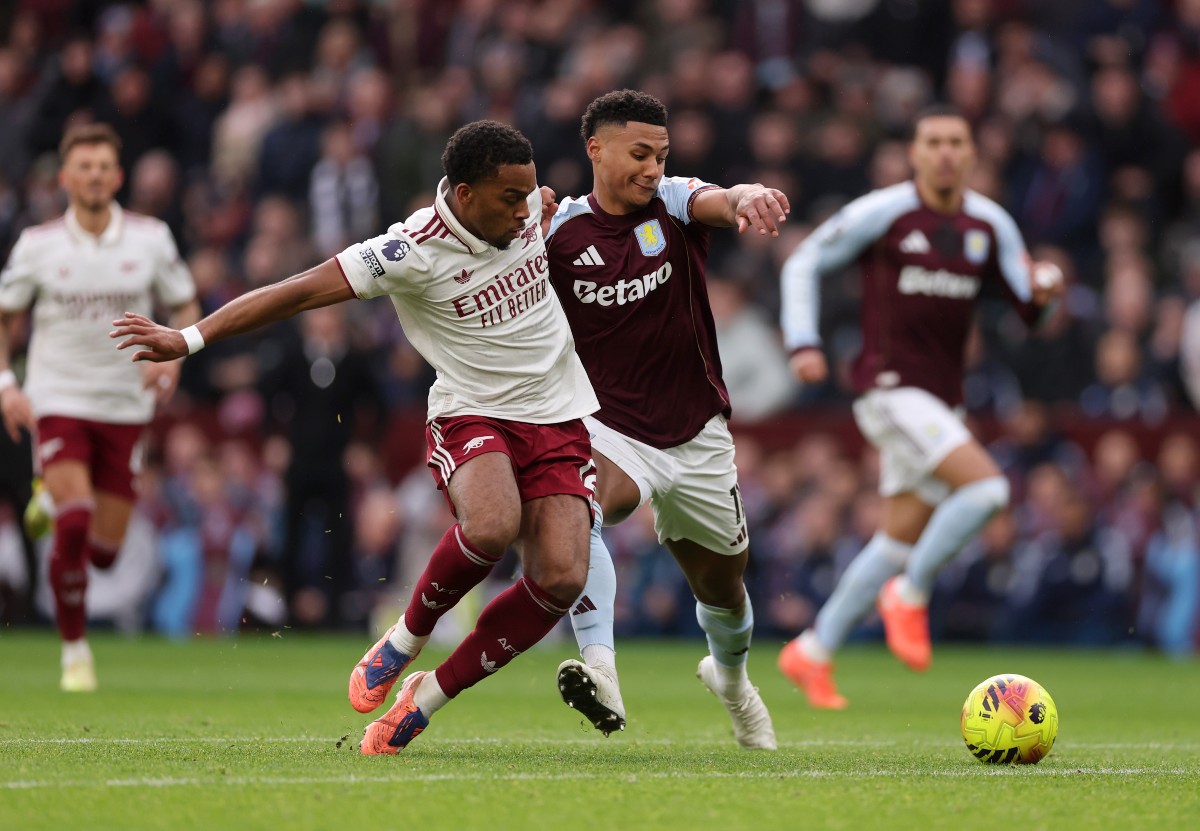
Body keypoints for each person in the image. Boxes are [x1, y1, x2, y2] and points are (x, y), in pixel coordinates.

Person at [111, 121, 600, 755]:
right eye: (510, 197)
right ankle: (403, 639)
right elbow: (296, 293)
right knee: (490, 525)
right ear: (463, 193)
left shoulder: (528, 204)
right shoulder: (409, 251)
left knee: (562, 579)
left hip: (557, 414)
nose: (524, 207)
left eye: (528, 193)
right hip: (473, 409)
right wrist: (190, 338)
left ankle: (426, 697)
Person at [776, 105, 1063, 709]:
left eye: (957, 142)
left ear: (972, 153)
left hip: (942, 402)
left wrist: (1046, 291)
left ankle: (813, 649)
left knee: (897, 539)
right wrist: (803, 341)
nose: (945, 153)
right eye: (933, 142)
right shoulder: (883, 212)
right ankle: (910, 595)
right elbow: (803, 259)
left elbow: (1029, 308)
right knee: (988, 493)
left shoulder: (990, 224)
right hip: (889, 389)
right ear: (915, 153)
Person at [544, 89, 789, 750]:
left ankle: (733, 682)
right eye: (639, 153)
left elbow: (718, 197)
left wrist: (746, 196)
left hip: (696, 432)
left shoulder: (672, 204)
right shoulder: (559, 233)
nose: (653, 168)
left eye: (661, 154)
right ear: (595, 150)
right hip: (609, 425)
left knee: (724, 588)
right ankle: (601, 670)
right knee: (585, 502)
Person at [0, 122, 200, 691]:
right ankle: (74, 650)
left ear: (117, 176)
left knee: (106, 553)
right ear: (65, 177)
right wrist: (5, 385)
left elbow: (185, 299)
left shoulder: (151, 238)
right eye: (82, 166)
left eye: (102, 166)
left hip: (125, 404)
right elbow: (5, 314)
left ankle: (53, 503)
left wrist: (174, 356)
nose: (92, 175)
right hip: (57, 397)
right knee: (77, 514)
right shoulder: (38, 245)